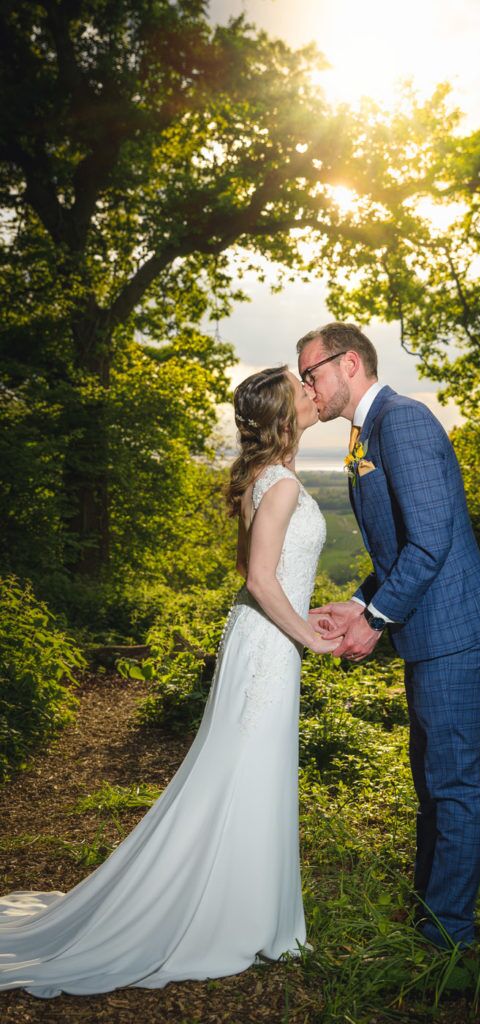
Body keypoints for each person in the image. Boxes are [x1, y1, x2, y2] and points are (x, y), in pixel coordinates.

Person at [0, 366, 337, 997]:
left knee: (242, 773)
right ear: (287, 413)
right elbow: (262, 579)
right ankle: (232, 918)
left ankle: (247, 907)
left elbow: (256, 572)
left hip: (261, 637)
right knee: (244, 772)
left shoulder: (263, 479)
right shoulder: (283, 484)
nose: (314, 391)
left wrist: (301, 610)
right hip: (267, 645)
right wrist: (309, 634)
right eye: (303, 387)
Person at [297, 322, 480, 950]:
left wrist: (375, 620)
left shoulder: (404, 422)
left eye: (313, 370)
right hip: (428, 630)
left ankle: (450, 938)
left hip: (450, 632)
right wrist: (359, 599)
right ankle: (432, 910)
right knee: (432, 783)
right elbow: (400, 544)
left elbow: (432, 542)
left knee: (453, 787)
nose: (308, 384)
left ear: (351, 363)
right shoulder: (373, 429)